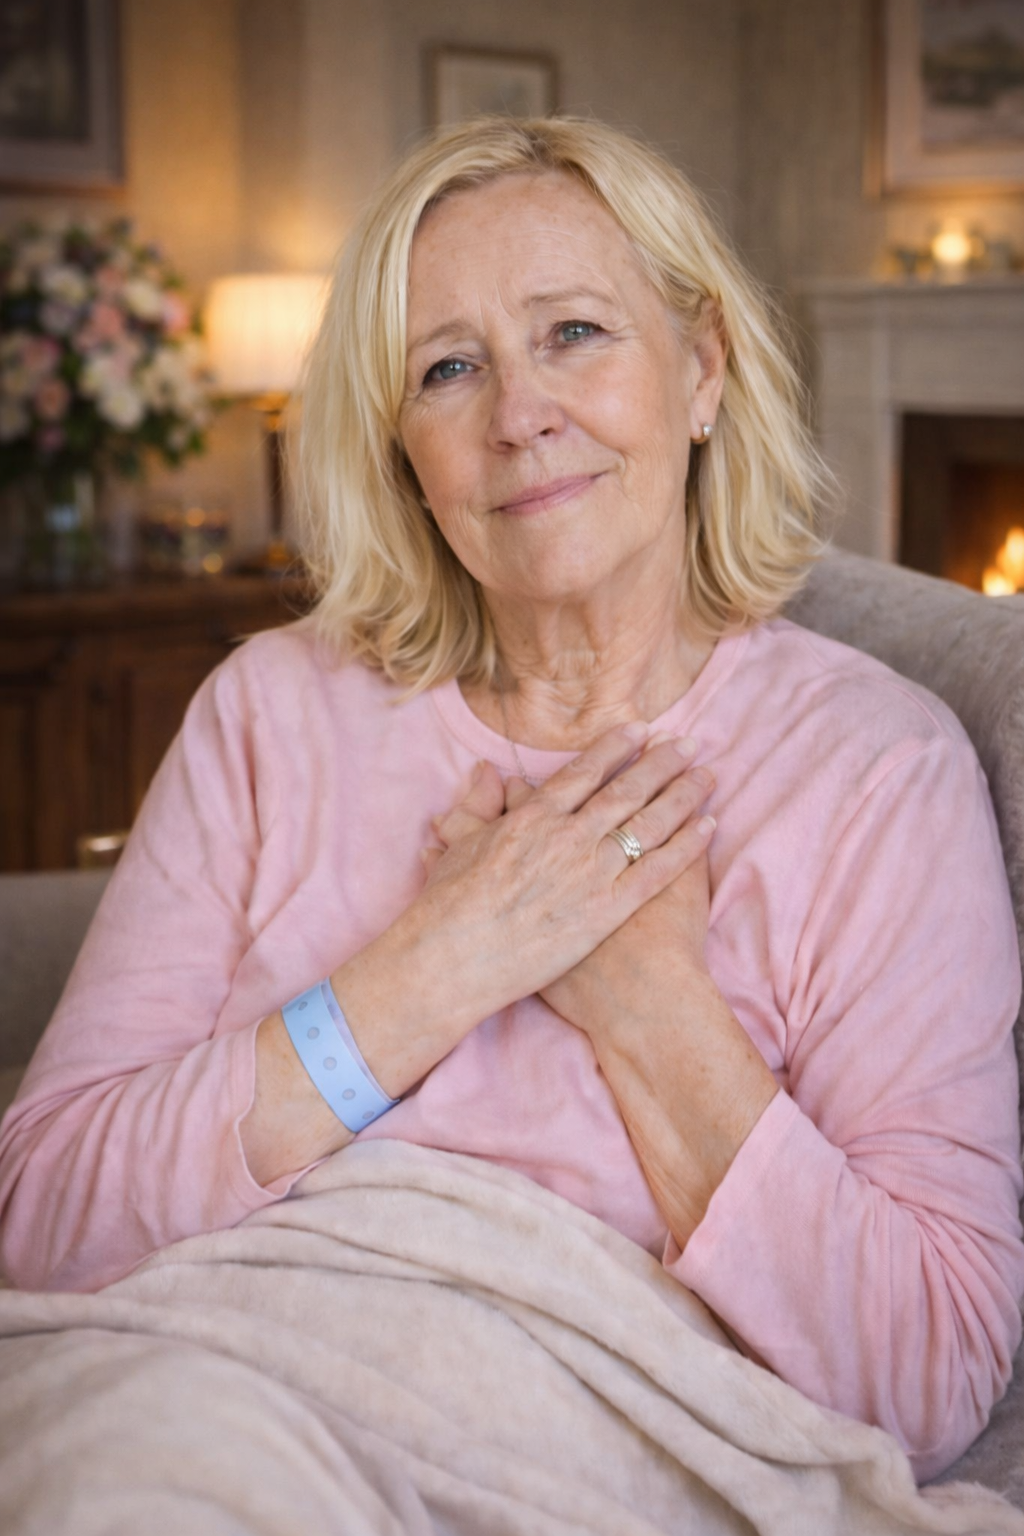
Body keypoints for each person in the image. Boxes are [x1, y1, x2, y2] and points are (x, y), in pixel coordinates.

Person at [0, 116, 1020, 1485]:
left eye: (574, 333)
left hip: (591, 1443)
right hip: (206, 1382)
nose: (517, 415)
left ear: (703, 368)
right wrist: (440, 965)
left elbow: (935, 1368)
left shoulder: (875, 767)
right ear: (402, 451)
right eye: (449, 366)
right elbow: (40, 1214)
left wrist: (649, 1002)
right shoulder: (270, 712)